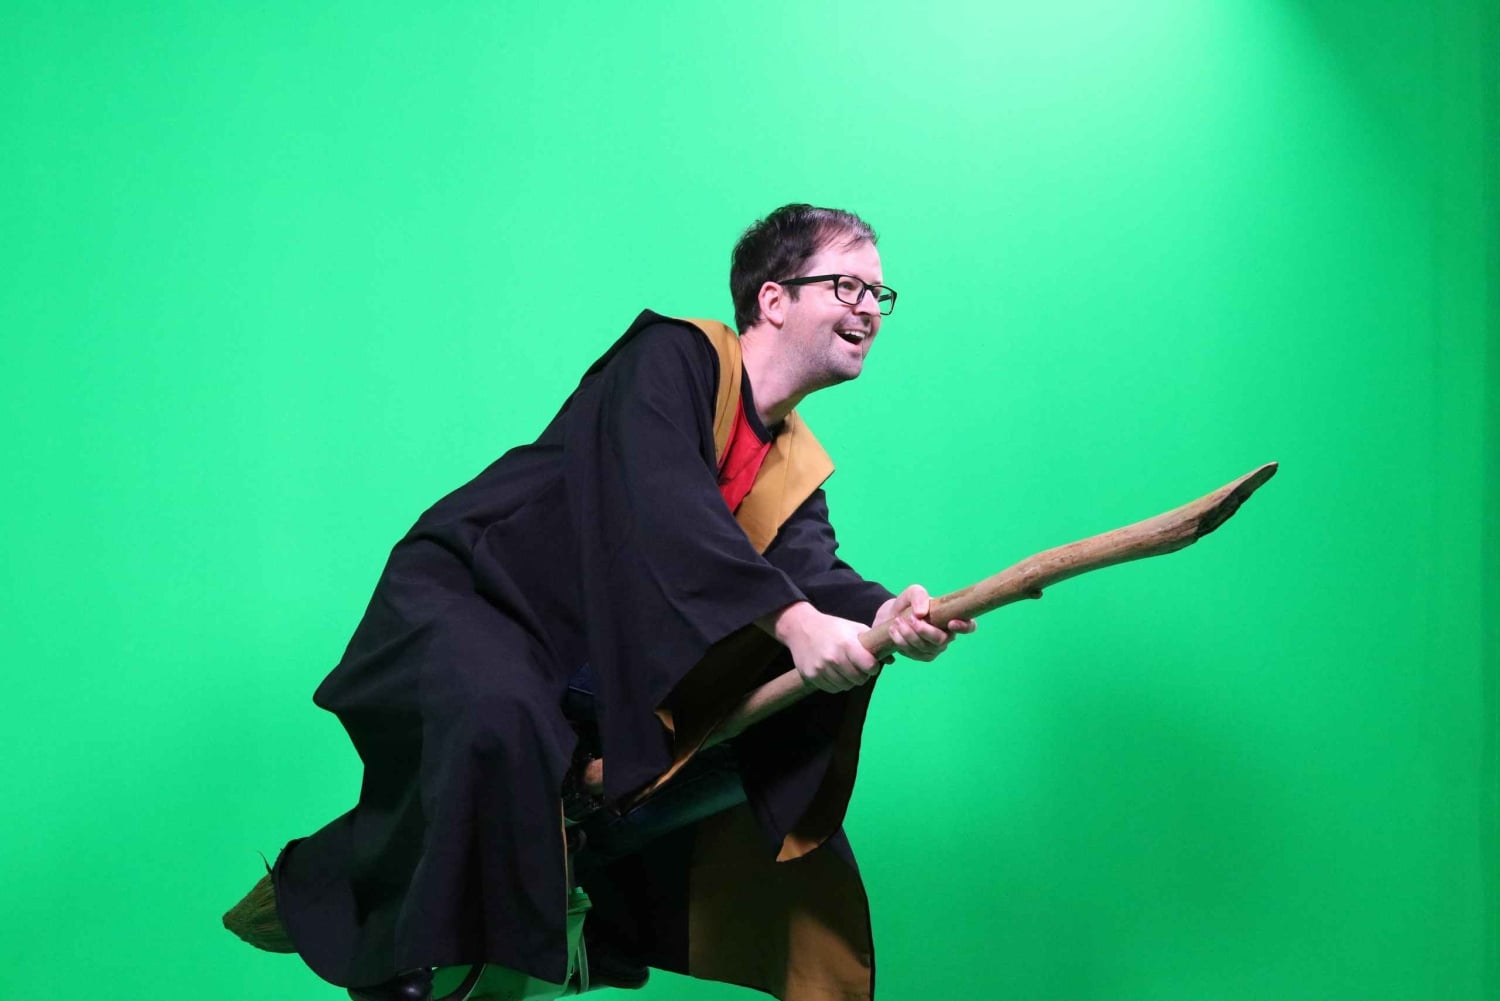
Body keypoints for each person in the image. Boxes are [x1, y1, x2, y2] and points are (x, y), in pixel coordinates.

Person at [239, 204, 974, 1001]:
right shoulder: (672, 357)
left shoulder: (790, 459)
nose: (870, 308)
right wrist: (796, 622)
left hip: (576, 653)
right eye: (847, 285)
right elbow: (667, 506)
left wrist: (886, 616)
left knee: (767, 728)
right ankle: (404, 956)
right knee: (502, 717)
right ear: (773, 298)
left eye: (878, 293)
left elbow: (813, 571)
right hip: (479, 594)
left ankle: (584, 904)